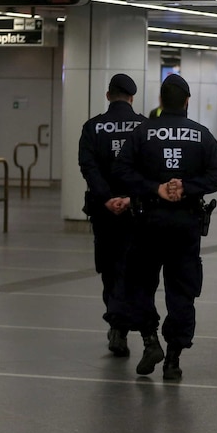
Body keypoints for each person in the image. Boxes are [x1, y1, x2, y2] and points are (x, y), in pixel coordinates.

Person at [112, 73, 217, 380]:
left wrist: (154, 188)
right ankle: (174, 358)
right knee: (182, 290)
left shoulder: (142, 132)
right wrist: (187, 186)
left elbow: (121, 170)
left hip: (147, 222)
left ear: (161, 102)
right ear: (187, 102)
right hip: (185, 224)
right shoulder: (201, 134)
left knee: (139, 284)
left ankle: (150, 340)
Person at [78, 74, 146, 357]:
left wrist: (107, 198)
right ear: (131, 97)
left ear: (108, 96)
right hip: (136, 211)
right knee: (134, 269)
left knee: (109, 268)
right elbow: (148, 168)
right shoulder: (144, 126)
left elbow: (88, 167)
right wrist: (130, 197)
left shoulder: (93, 127)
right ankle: (125, 323)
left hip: (104, 213)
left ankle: (117, 325)